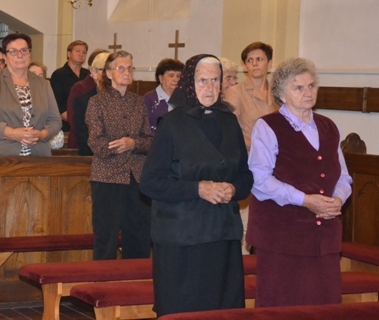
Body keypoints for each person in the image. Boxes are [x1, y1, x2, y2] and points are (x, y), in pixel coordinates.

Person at [140, 54, 253, 316]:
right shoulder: (171, 124)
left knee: (223, 310)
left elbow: (245, 176)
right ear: (190, 83)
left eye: (215, 80)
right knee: (185, 311)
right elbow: (150, 182)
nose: (210, 87)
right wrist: (198, 188)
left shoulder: (229, 121)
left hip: (222, 234)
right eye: (203, 80)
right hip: (182, 238)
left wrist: (234, 189)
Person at [247, 58, 352, 307]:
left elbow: (343, 176)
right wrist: (305, 200)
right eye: (299, 88)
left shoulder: (328, 127)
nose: (308, 92)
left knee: (324, 306)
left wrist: (338, 199)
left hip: (324, 237)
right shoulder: (267, 126)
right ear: (282, 94)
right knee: (283, 306)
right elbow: (260, 180)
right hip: (282, 237)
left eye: (311, 86)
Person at [85, 50, 153, 260]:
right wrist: (119, 145)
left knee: (139, 235)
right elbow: (95, 142)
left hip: (137, 177)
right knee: (106, 237)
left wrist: (133, 143)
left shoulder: (138, 102)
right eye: (121, 68)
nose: (126, 72)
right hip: (108, 176)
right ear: (108, 73)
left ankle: (135, 278)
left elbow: (149, 140)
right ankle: (103, 279)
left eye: (130, 68)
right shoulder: (97, 102)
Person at [0, 34, 61, 156]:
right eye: (13, 51)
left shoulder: (44, 84)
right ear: (5, 56)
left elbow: (55, 121)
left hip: (39, 156)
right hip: (3, 157)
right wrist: (12, 133)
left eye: (24, 50)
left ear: (30, 54)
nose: (20, 55)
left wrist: (42, 135)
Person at [224, 42, 278, 150]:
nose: (254, 63)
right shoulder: (235, 91)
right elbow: (230, 130)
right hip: (249, 154)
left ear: (269, 63)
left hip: (276, 154)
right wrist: (260, 148)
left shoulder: (277, 92)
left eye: (259, 59)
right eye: (249, 60)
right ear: (244, 66)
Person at [66, 48, 108, 148]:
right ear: (92, 69)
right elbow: (73, 119)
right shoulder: (80, 88)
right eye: (103, 68)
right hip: (82, 144)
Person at [50, 40, 89, 132]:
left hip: (87, 123)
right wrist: (74, 120)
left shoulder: (88, 74)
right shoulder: (59, 74)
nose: (81, 54)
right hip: (66, 124)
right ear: (68, 54)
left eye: (84, 52)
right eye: (78, 51)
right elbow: (56, 102)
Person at [29, 62, 64, 149]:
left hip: (43, 141)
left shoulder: (47, 94)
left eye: (40, 75)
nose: (37, 77)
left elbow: (55, 120)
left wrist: (43, 133)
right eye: (33, 74)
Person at [143, 58, 184, 134]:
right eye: (171, 75)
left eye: (178, 76)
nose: (176, 79)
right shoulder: (148, 99)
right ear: (161, 78)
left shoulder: (184, 99)